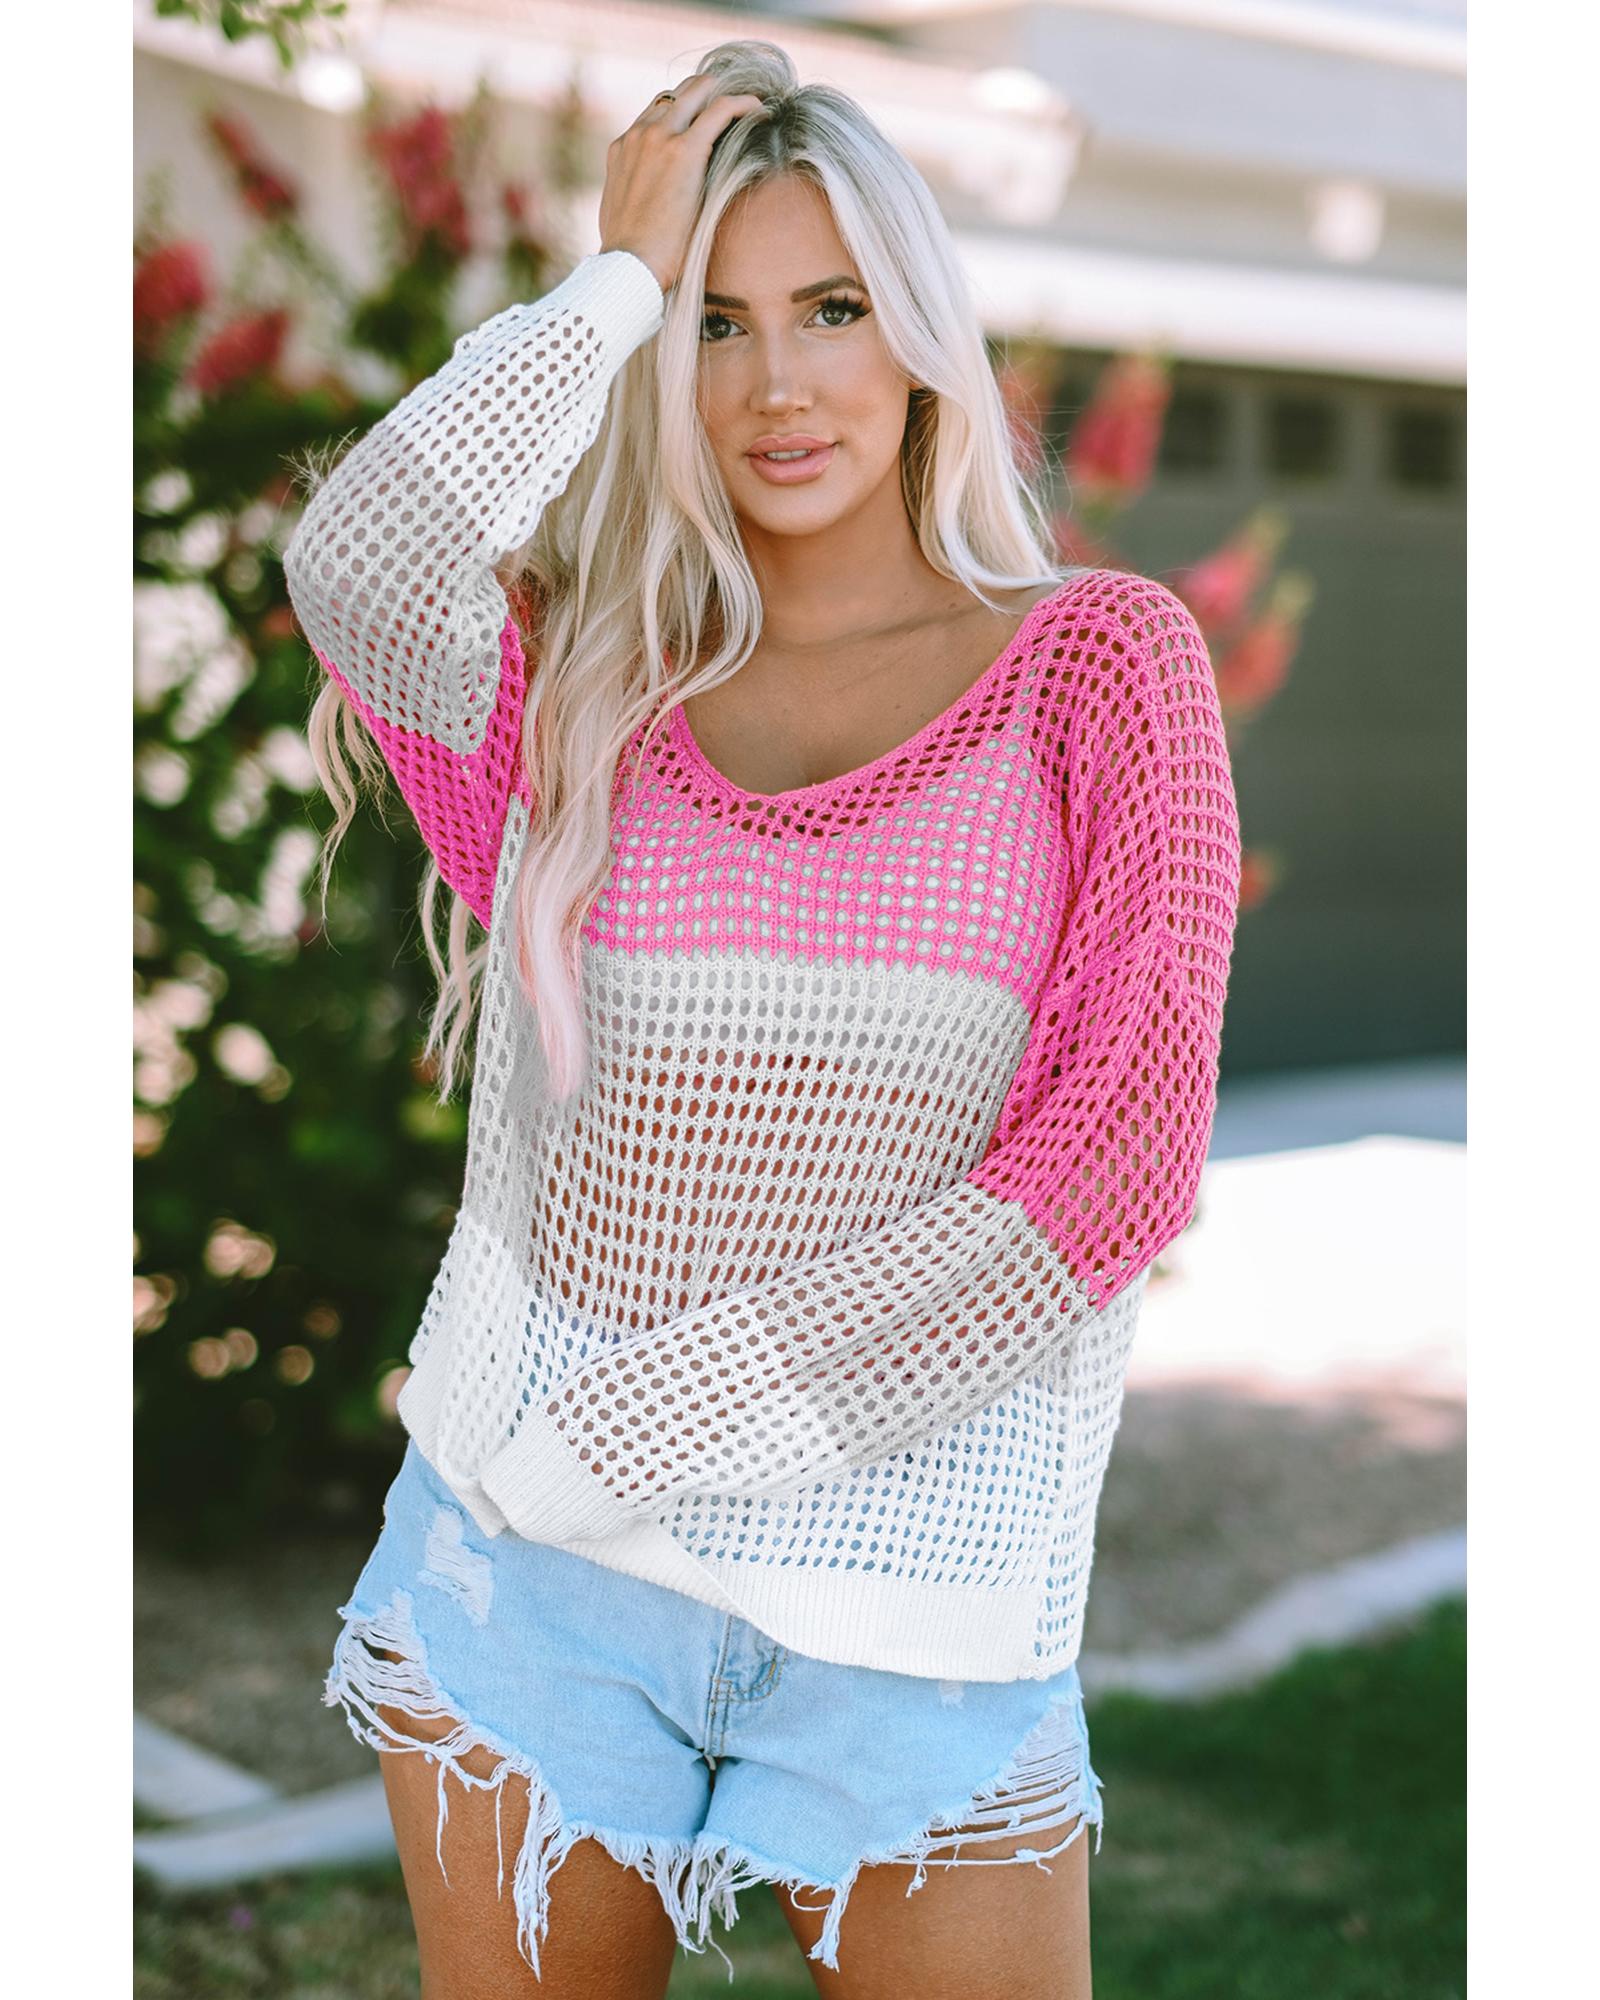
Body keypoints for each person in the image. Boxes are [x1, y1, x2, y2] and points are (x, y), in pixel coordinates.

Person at [282, 36, 1240, 2000]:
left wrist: (642, 1429)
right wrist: (609, 283)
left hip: (911, 1617)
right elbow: (358, 560)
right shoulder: (585, 688)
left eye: (830, 309)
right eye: (715, 323)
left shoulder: (1090, 668)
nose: (777, 383)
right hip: (529, 1585)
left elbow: (1118, 1154)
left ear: (920, 336)